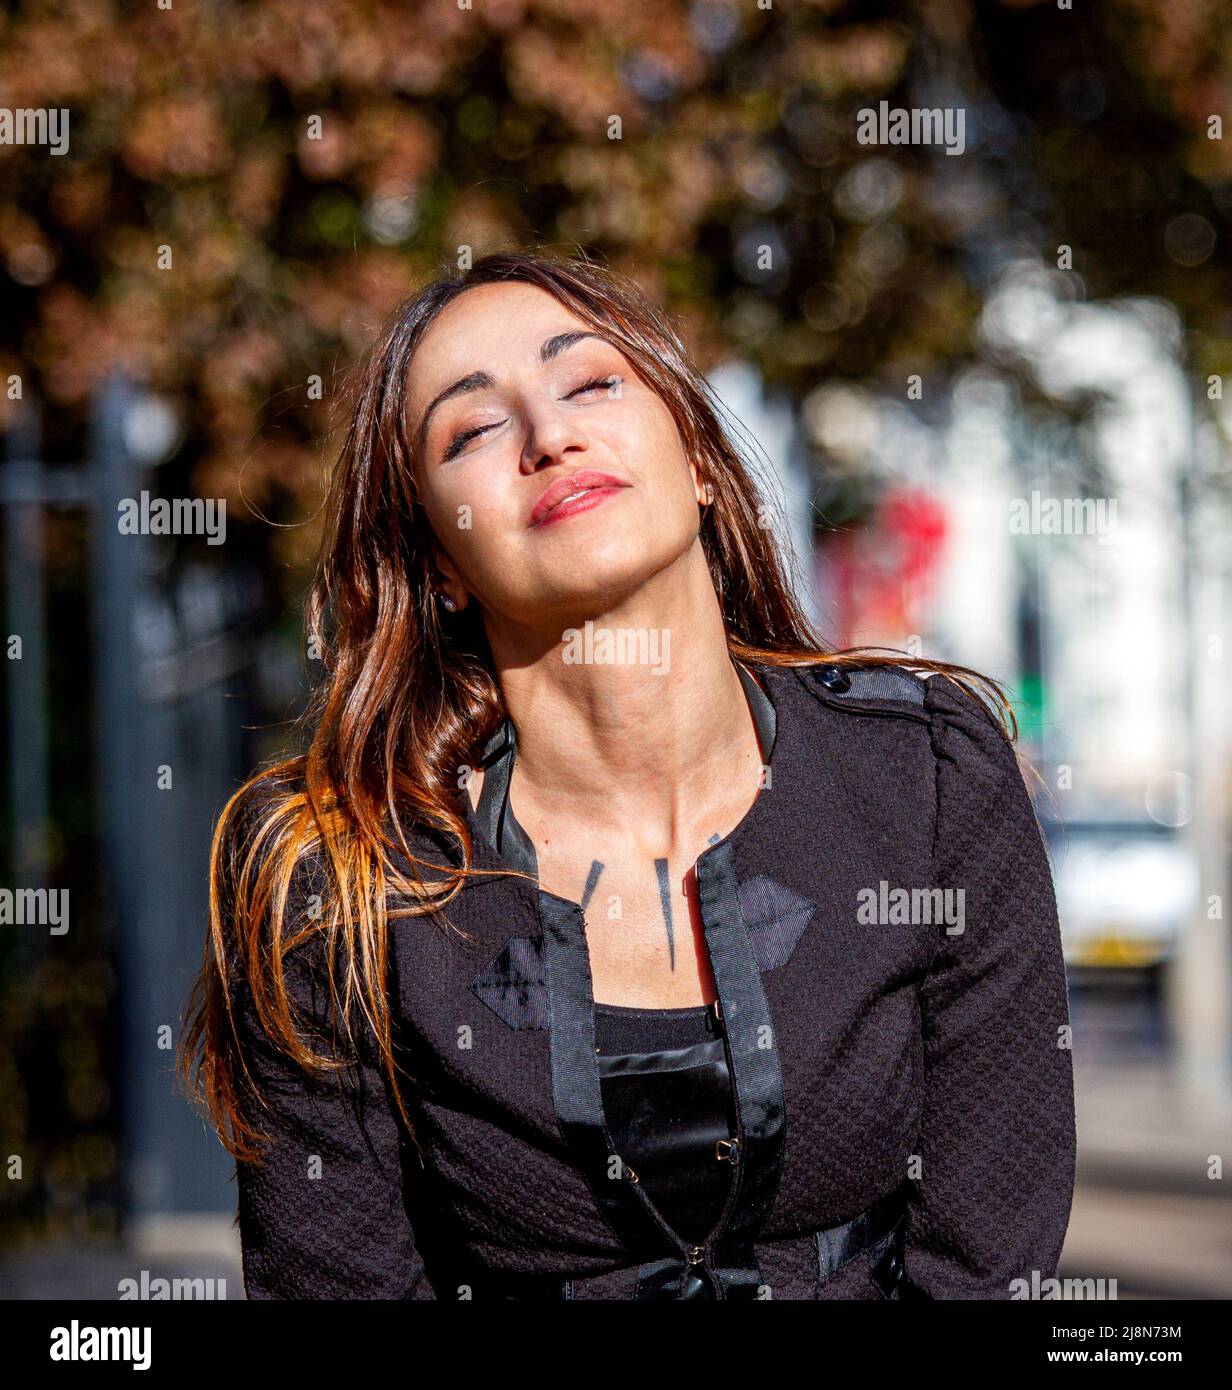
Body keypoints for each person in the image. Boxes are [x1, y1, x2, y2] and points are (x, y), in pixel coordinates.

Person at [178, 249, 1077, 1300]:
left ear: (698, 460)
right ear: (438, 565)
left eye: (591, 382)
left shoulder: (925, 776)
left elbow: (986, 1258)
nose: (549, 437)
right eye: (471, 430)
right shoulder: (333, 875)